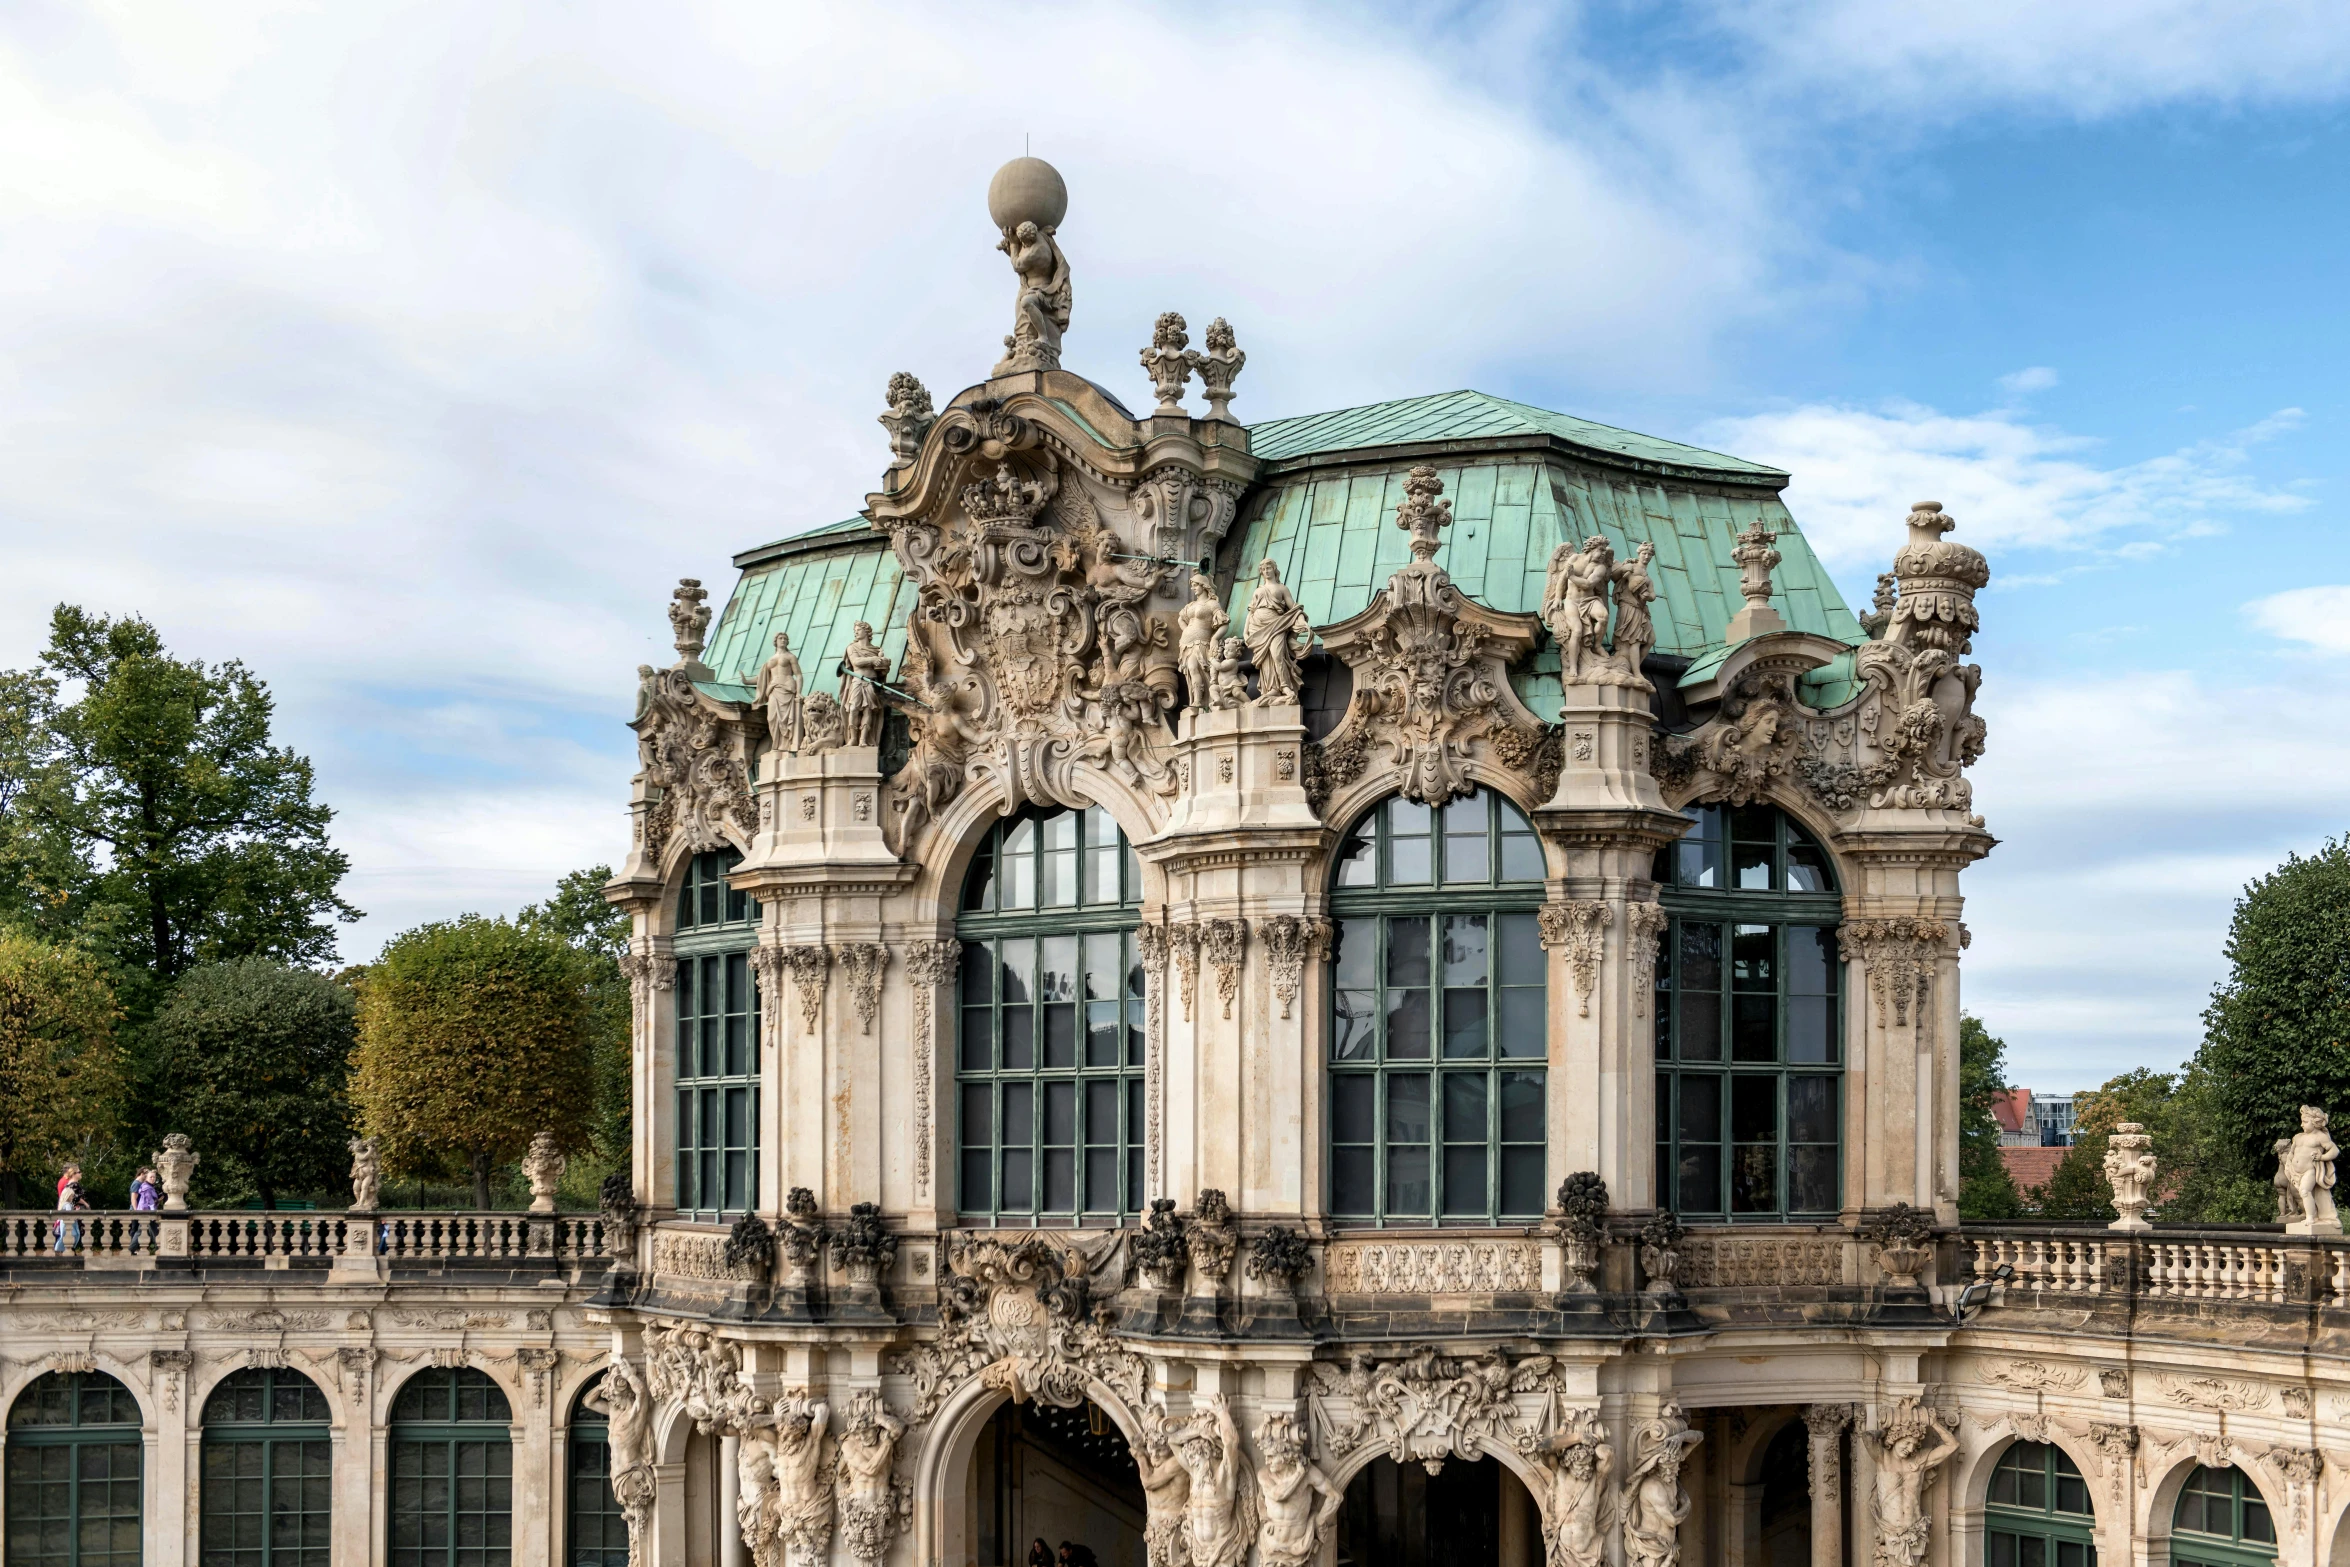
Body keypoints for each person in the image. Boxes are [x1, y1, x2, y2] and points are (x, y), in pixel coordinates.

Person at [128, 1166, 161, 1253]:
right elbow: (148, 1202)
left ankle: (131, 1249)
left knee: (141, 1231)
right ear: (145, 1177)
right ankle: (159, 1247)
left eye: (154, 1177)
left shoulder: (148, 1186)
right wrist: (154, 1212)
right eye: (151, 1177)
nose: (153, 1179)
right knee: (152, 1230)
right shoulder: (146, 1187)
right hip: (146, 1212)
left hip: (145, 1212)